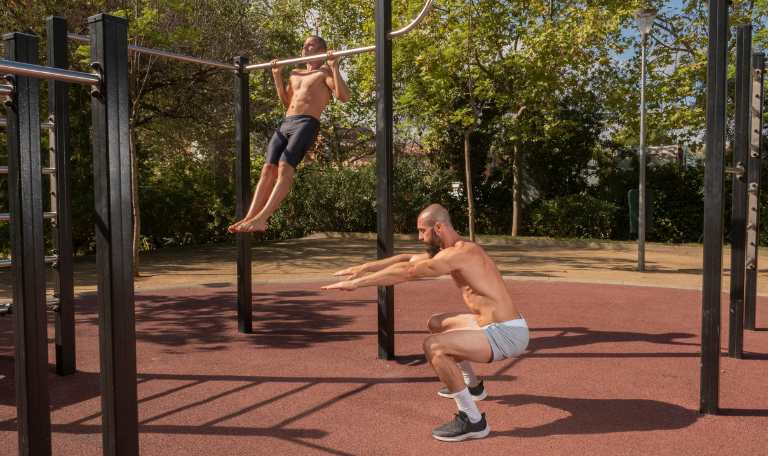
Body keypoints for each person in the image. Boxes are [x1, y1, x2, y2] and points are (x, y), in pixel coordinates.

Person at [321, 204, 529, 442]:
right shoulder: (448, 250)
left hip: (506, 334)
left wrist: (358, 284)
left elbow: (409, 272)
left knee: (434, 347)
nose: (420, 237)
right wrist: (362, 268)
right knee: (437, 323)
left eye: (422, 231)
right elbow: (406, 260)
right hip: (493, 324)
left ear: (438, 227)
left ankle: (473, 420)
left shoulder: (461, 254)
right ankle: (473, 387)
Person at [229, 36, 351, 233]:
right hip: (287, 122)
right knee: (268, 169)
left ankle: (263, 218)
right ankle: (250, 217)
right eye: (303, 45)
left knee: (285, 166)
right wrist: (277, 75)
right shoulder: (295, 73)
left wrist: (334, 67)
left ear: (321, 49)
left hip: (307, 123)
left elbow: (343, 97)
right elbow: (287, 102)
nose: (304, 48)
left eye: (310, 44)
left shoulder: (325, 73)